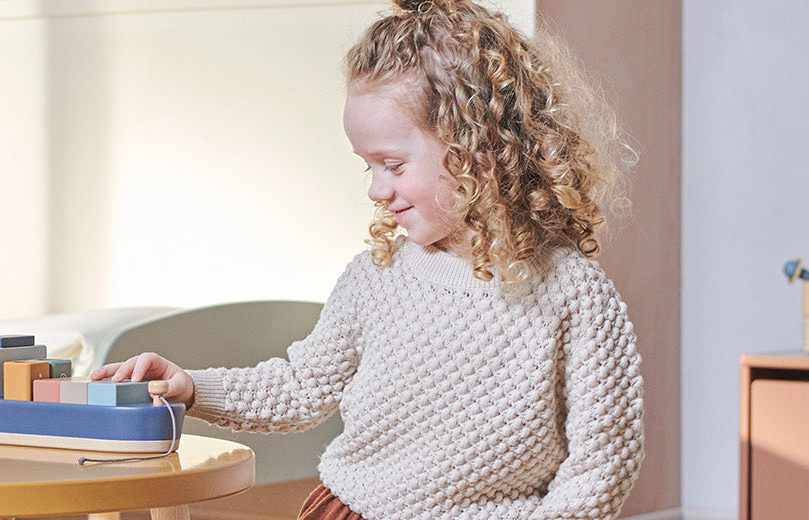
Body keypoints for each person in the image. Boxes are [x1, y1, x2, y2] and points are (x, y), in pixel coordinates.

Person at [91, 1, 644, 518]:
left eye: (393, 164)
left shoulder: (576, 294)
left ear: (481, 145)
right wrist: (193, 388)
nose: (378, 190)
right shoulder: (377, 276)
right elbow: (301, 387)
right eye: (368, 167)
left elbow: (601, 467)